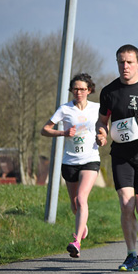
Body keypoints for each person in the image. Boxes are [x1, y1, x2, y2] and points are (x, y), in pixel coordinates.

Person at [95, 44, 138, 272]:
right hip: (120, 154)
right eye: (121, 62)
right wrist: (101, 133)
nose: (125, 66)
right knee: (126, 204)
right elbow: (102, 121)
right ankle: (132, 254)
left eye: (129, 62)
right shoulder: (108, 91)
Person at [41, 73, 100, 258]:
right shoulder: (65, 109)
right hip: (69, 161)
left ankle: (76, 242)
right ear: (71, 90)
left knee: (82, 199)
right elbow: (45, 130)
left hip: (90, 158)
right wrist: (63, 133)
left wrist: (103, 135)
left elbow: (105, 125)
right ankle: (82, 225)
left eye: (83, 89)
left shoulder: (97, 108)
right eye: (75, 89)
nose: (79, 92)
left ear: (89, 90)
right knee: (75, 205)